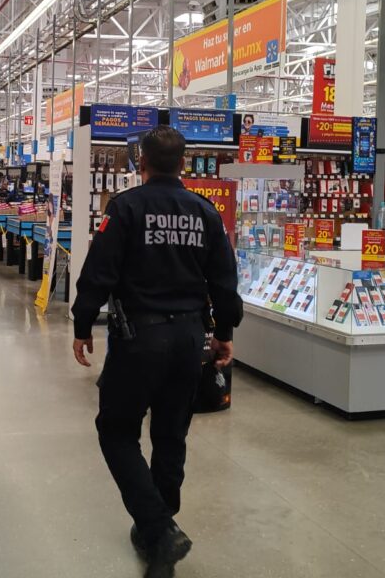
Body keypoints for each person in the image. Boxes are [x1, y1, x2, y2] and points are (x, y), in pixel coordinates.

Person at [70, 125, 242, 578]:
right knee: (171, 434)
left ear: (140, 162)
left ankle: (158, 528)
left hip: (138, 340)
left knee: (116, 431)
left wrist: (83, 323)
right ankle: (159, 533)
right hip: (189, 340)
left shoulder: (125, 208)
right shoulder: (205, 212)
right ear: (184, 164)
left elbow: (99, 271)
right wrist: (224, 331)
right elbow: (225, 280)